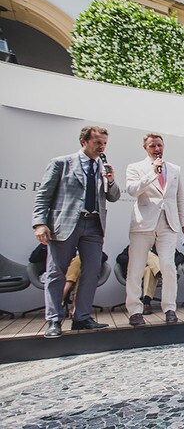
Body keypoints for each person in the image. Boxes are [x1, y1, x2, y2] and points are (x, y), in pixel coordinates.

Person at [32, 126, 120, 338]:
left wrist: (111, 179)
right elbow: (43, 195)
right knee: (56, 272)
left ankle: (82, 317)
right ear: (83, 141)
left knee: (92, 271)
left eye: (105, 143)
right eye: (98, 142)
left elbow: (114, 196)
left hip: (94, 225)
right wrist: (39, 223)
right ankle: (54, 320)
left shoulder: (102, 167)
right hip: (65, 224)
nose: (102, 147)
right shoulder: (61, 163)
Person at [125, 133, 184, 327]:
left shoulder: (175, 169)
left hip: (168, 223)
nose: (157, 149)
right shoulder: (135, 167)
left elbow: (180, 198)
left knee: (168, 266)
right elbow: (132, 190)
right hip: (143, 223)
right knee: (136, 268)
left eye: (160, 145)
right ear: (145, 147)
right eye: (153, 146)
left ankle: (170, 308)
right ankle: (134, 311)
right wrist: (152, 173)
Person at [29, 244, 109, 317]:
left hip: (77, 275)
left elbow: (103, 257)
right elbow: (33, 259)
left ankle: (63, 293)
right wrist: (44, 245)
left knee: (80, 262)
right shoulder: (49, 245)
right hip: (56, 275)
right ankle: (75, 303)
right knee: (81, 272)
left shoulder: (83, 244)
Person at [116, 245, 184, 315]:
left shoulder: (161, 245)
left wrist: (169, 264)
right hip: (137, 272)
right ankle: (161, 271)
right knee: (146, 254)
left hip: (150, 272)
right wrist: (138, 259)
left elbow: (180, 256)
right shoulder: (135, 245)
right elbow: (120, 258)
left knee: (149, 270)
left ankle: (147, 302)